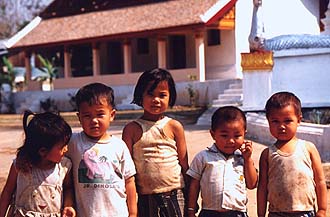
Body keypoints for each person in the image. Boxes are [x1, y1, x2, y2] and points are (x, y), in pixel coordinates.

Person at [122, 68, 189, 217]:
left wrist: (191, 200)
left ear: (170, 98)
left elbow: (184, 165)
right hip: (146, 196)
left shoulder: (174, 127)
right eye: (150, 94)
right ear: (140, 96)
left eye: (162, 95)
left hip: (175, 193)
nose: (156, 100)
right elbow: (126, 169)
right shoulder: (131, 129)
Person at [66, 82, 137, 216]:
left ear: (112, 115)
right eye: (87, 115)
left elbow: (129, 181)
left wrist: (133, 213)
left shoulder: (119, 146)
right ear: (79, 117)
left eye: (100, 114)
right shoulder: (73, 142)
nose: (94, 120)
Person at [257, 91, 327, 217]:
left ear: (299, 120)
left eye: (287, 121)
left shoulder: (308, 148)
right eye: (275, 121)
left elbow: (320, 181)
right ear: (268, 121)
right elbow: (262, 187)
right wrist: (261, 214)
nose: (281, 126)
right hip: (276, 213)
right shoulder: (267, 154)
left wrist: (322, 209)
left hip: (305, 212)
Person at [0, 110, 75, 217]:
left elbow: (68, 188)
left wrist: (68, 205)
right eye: (62, 146)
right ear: (43, 151)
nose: (66, 149)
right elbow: (7, 192)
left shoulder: (64, 167)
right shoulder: (21, 165)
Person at [187, 106, 258, 217]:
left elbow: (252, 184)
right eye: (224, 135)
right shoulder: (203, 157)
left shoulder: (243, 159)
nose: (230, 141)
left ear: (244, 134)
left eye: (237, 136)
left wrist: (248, 159)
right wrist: (191, 209)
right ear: (213, 134)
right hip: (209, 213)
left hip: (238, 213)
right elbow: (194, 185)